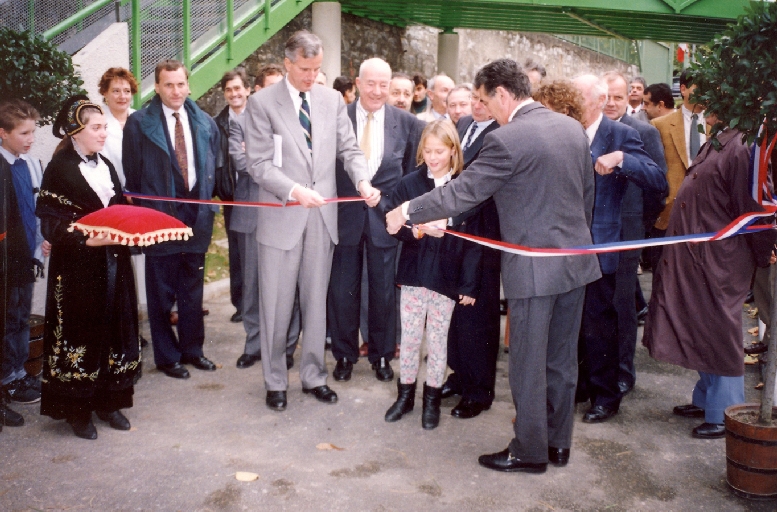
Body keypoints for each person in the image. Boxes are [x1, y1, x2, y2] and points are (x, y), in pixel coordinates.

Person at [387, 58, 601, 473]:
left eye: (485, 100)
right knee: (560, 361)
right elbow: (585, 199)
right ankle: (559, 445)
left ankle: (529, 451)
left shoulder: (507, 139)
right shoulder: (570, 128)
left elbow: (462, 192)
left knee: (526, 363)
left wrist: (407, 209)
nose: (484, 110)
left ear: (503, 94)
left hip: (534, 270)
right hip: (575, 264)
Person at [244, 30, 380, 412]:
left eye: (317, 69)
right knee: (276, 305)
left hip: (322, 219)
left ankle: (314, 376)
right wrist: (293, 191)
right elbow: (258, 163)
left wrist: (362, 179)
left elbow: (349, 148)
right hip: (282, 218)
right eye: (305, 69)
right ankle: (275, 381)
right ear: (288, 63)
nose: (311, 76)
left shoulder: (331, 99)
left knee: (317, 303)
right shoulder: (262, 103)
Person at [643, 114, 776, 439]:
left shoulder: (743, 144)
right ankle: (706, 400)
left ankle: (724, 411)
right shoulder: (725, 136)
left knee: (718, 330)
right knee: (699, 326)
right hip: (698, 257)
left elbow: (755, 206)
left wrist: (764, 250)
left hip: (720, 260)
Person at [36, 96, 141, 439]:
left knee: (112, 328)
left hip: (113, 263)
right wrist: (87, 240)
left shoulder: (107, 166)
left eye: (103, 127)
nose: (102, 134)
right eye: (96, 128)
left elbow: (119, 208)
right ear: (75, 132)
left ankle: (108, 402)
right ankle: (77, 411)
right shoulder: (60, 169)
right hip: (79, 268)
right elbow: (51, 224)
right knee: (80, 331)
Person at [572, 74, 665, 424]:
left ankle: (605, 396)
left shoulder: (624, 135)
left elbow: (658, 180)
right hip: (567, 247)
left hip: (604, 247)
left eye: (579, 99)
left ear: (596, 102)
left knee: (600, 325)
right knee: (573, 324)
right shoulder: (567, 131)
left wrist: (622, 159)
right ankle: (579, 387)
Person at [328, 58, 425, 383]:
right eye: (371, 83)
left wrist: (402, 213)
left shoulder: (408, 123)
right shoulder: (338, 118)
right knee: (343, 292)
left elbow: (413, 175)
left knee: (383, 292)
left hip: (386, 222)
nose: (378, 91)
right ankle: (344, 356)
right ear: (357, 83)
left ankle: (382, 356)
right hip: (345, 221)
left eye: (384, 84)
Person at [124, 60, 220, 380]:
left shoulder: (205, 122)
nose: (175, 91)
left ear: (188, 85)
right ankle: (167, 357)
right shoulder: (139, 124)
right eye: (168, 85)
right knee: (161, 290)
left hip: (197, 216)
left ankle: (194, 351)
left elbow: (213, 169)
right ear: (157, 87)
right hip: (160, 217)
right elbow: (133, 174)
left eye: (180, 84)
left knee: (192, 290)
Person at [383, 120, 477, 429]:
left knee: (438, 342)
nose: (433, 157)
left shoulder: (464, 185)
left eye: (440, 151)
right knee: (410, 338)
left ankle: (432, 399)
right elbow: (393, 224)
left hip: (447, 277)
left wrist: (468, 284)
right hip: (414, 274)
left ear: (453, 151)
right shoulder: (409, 183)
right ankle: (405, 395)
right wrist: (419, 233)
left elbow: (474, 242)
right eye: (428, 151)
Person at [602, 71, 667, 396]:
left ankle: (624, 372)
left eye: (618, 96)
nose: (611, 103)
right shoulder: (589, 130)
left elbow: (659, 185)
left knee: (622, 304)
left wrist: (640, 226)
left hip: (627, 234)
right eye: (606, 96)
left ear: (630, 97)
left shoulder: (644, 131)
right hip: (592, 234)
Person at [441, 88, 501, 418]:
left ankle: (479, 390)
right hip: (454, 233)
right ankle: (459, 375)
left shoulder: (501, 134)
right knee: (454, 309)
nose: (477, 106)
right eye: (474, 99)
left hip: (483, 234)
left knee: (478, 313)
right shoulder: (463, 124)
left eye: (483, 100)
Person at [0, 99, 48, 427]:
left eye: (33, 131)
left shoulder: (29, 163)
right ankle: (5, 378)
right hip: (5, 260)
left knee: (19, 316)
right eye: (24, 133)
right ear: (3, 133)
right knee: (5, 320)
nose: (31, 138)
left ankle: (17, 374)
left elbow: (36, 204)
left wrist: (41, 238)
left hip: (25, 256)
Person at [214, 69, 251, 325]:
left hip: (260, 195)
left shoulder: (261, 118)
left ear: (247, 89)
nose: (234, 94)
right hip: (233, 196)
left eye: (238, 88)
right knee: (237, 253)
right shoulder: (218, 124)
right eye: (229, 90)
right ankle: (241, 303)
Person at [98, 67, 138, 188]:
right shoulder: (97, 119)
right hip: (109, 189)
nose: (122, 96)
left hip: (137, 191)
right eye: (116, 91)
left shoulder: (139, 119)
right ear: (105, 93)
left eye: (127, 91)